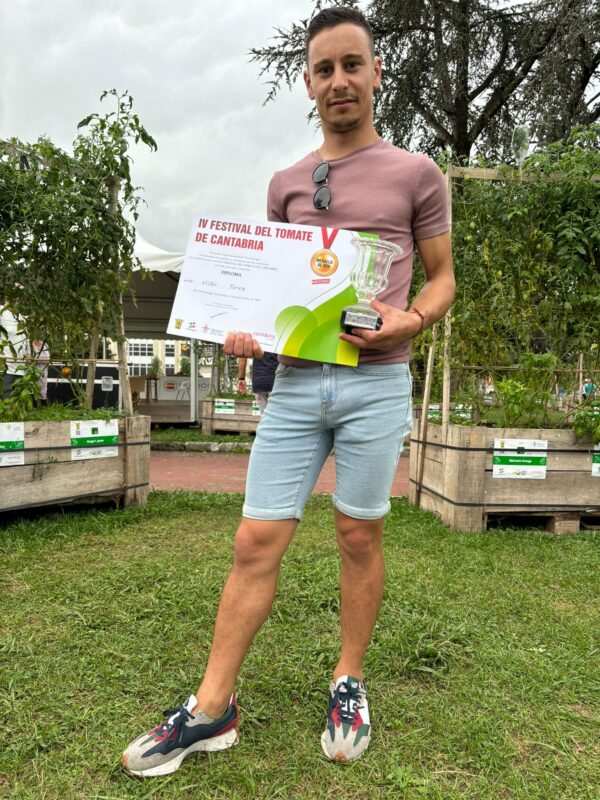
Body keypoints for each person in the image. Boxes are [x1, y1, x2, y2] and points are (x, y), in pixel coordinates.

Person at [122, 6, 455, 777]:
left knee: (358, 535)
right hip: (299, 386)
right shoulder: (286, 184)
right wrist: (245, 332)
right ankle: (213, 708)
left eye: (351, 64)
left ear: (375, 74)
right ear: (308, 83)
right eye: (324, 69)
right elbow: (272, 293)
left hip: (377, 385)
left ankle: (349, 680)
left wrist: (409, 319)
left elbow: (443, 279)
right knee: (254, 541)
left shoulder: (417, 174)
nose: (339, 80)